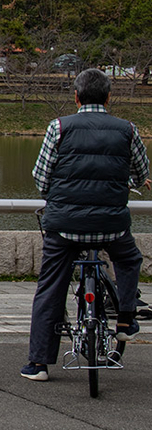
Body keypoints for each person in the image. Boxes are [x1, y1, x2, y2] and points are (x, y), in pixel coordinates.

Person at [22, 68, 148, 381]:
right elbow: (140, 172)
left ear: (76, 97)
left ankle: (38, 364)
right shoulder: (127, 130)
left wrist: (59, 198)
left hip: (64, 225)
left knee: (50, 287)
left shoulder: (59, 127)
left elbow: (41, 177)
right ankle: (126, 319)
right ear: (108, 97)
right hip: (112, 225)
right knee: (129, 259)